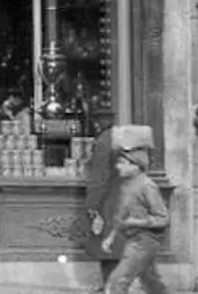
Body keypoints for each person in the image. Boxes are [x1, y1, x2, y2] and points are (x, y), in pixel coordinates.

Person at [102, 147, 170, 294]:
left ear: (136, 166)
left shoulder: (147, 186)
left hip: (144, 241)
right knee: (152, 283)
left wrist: (137, 222)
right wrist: (111, 237)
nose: (117, 166)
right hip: (133, 239)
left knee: (116, 283)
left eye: (122, 162)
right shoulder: (127, 185)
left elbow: (163, 218)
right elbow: (122, 216)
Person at [84, 108, 122, 292]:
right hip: (124, 199)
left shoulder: (104, 142)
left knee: (106, 248)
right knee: (117, 247)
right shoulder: (122, 140)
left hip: (108, 201)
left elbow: (99, 177)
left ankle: (110, 287)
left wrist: (92, 205)